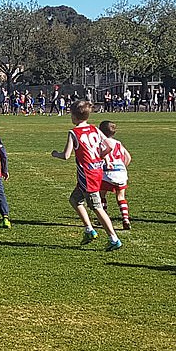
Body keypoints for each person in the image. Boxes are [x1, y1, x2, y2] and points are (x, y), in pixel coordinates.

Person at [51, 100, 122, 251]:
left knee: (96, 207)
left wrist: (55, 154)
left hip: (87, 174)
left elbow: (66, 156)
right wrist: (99, 156)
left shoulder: (74, 133)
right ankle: (89, 229)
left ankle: (113, 238)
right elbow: (109, 146)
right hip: (97, 170)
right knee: (75, 199)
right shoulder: (94, 129)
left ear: (74, 116)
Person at [98, 121, 132, 230]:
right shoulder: (118, 143)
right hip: (121, 172)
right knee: (121, 196)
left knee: (101, 195)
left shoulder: (101, 142)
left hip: (107, 172)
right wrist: (123, 167)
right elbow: (128, 157)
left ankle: (103, 217)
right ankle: (125, 218)